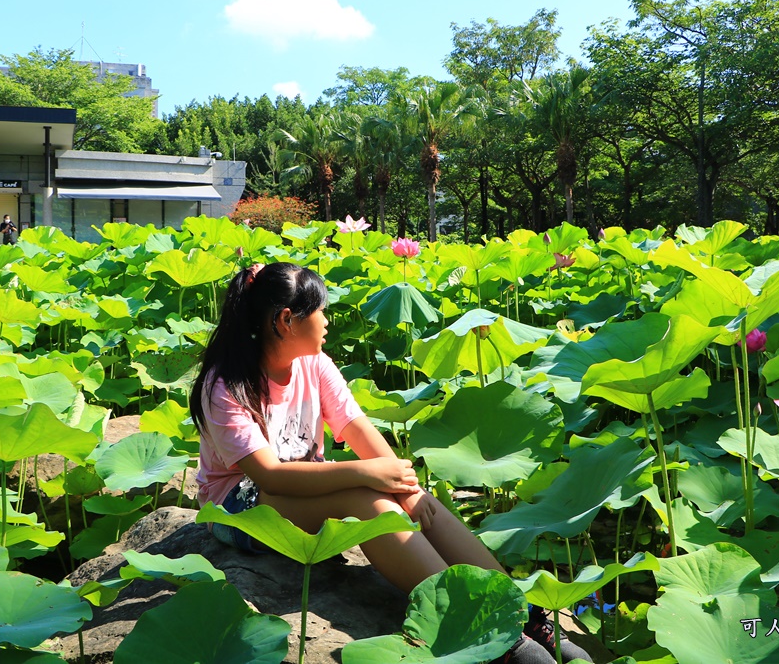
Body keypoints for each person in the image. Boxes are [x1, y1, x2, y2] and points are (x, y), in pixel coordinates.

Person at [191, 262, 591, 664]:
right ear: (286, 320)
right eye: (320, 310)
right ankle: (474, 626)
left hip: (300, 488)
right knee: (368, 501)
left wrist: (409, 490)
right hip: (238, 506)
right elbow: (269, 476)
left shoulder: (314, 363)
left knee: (411, 498)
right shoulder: (225, 385)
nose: (328, 321)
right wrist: (368, 473)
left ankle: (517, 610)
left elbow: (358, 429)